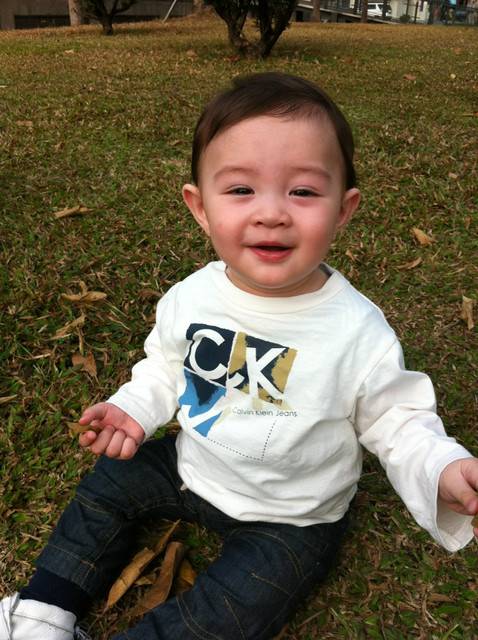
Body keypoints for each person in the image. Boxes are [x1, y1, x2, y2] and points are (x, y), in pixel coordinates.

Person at [1, 72, 477, 640]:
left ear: (343, 209)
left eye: (303, 192)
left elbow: (397, 420)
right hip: (191, 466)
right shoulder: (193, 296)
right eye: (241, 190)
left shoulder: (357, 331)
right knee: (108, 484)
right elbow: (167, 365)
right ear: (200, 207)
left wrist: (441, 466)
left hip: (293, 514)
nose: (271, 212)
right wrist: (134, 408)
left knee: (238, 604)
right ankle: (43, 611)